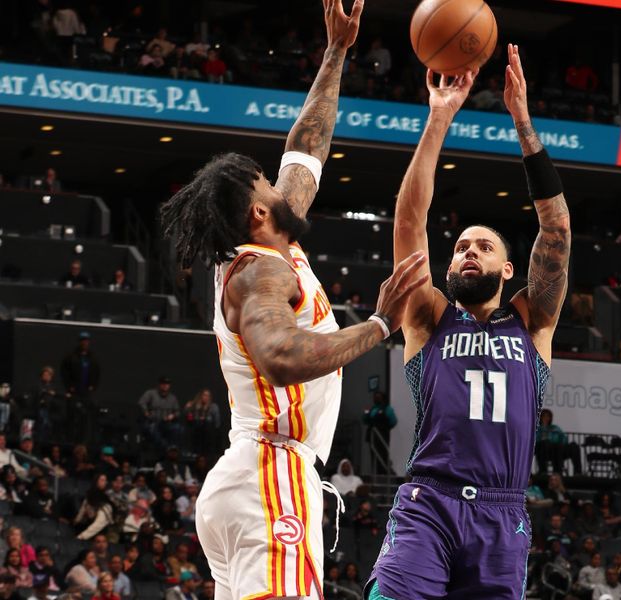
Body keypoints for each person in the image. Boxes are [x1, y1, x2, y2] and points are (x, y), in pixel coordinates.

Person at [159, 2, 428, 598]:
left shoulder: (270, 243)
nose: (278, 182)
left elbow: (306, 149)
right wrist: (381, 323)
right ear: (260, 212)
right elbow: (279, 355)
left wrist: (335, 53)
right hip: (270, 472)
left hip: (247, 478)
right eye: (264, 182)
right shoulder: (260, 277)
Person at [366, 45, 570, 600]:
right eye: (459, 247)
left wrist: (522, 121)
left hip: (503, 516)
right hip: (429, 502)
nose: (467, 253)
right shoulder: (429, 317)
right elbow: (410, 219)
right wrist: (439, 117)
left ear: (509, 268)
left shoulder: (532, 321)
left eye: (483, 246)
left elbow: (556, 230)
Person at [60, 332, 99, 444]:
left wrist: (93, 386)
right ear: (80, 342)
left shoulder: (92, 357)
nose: (85, 343)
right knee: (72, 415)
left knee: (85, 417)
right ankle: (70, 439)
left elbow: (97, 373)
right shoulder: (71, 356)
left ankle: (83, 440)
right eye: (83, 340)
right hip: (74, 392)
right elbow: (64, 372)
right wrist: (69, 386)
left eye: (86, 341)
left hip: (86, 393)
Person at [138, 377, 181, 452]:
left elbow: (177, 411)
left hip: (166, 422)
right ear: (159, 384)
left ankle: (175, 448)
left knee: (178, 428)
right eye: (163, 384)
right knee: (152, 429)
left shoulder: (172, 398)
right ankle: (166, 448)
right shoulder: (151, 393)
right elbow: (141, 402)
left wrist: (172, 416)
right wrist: (146, 412)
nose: (165, 386)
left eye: (167, 384)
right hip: (153, 421)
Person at [362, 392, 397, 474]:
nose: (376, 399)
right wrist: (366, 412)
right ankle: (375, 473)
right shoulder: (372, 409)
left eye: (378, 397)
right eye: (375, 397)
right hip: (372, 437)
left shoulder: (387, 408)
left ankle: (383, 474)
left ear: (383, 398)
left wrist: (384, 428)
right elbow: (365, 420)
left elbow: (393, 421)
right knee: (374, 456)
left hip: (382, 436)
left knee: (382, 455)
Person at [183, 389, 221, 456]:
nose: (206, 397)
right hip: (197, 428)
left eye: (207, 396)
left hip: (209, 428)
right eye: (204, 395)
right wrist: (188, 408)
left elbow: (217, 422)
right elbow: (189, 415)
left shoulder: (213, 407)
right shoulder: (196, 406)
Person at [536, 409, 568, 474]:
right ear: (540, 417)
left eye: (548, 416)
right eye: (544, 416)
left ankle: (577, 472)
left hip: (558, 448)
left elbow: (564, 437)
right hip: (543, 449)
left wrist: (562, 444)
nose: (546, 418)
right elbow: (535, 439)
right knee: (545, 443)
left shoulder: (555, 428)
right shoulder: (537, 428)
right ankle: (543, 471)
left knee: (574, 446)